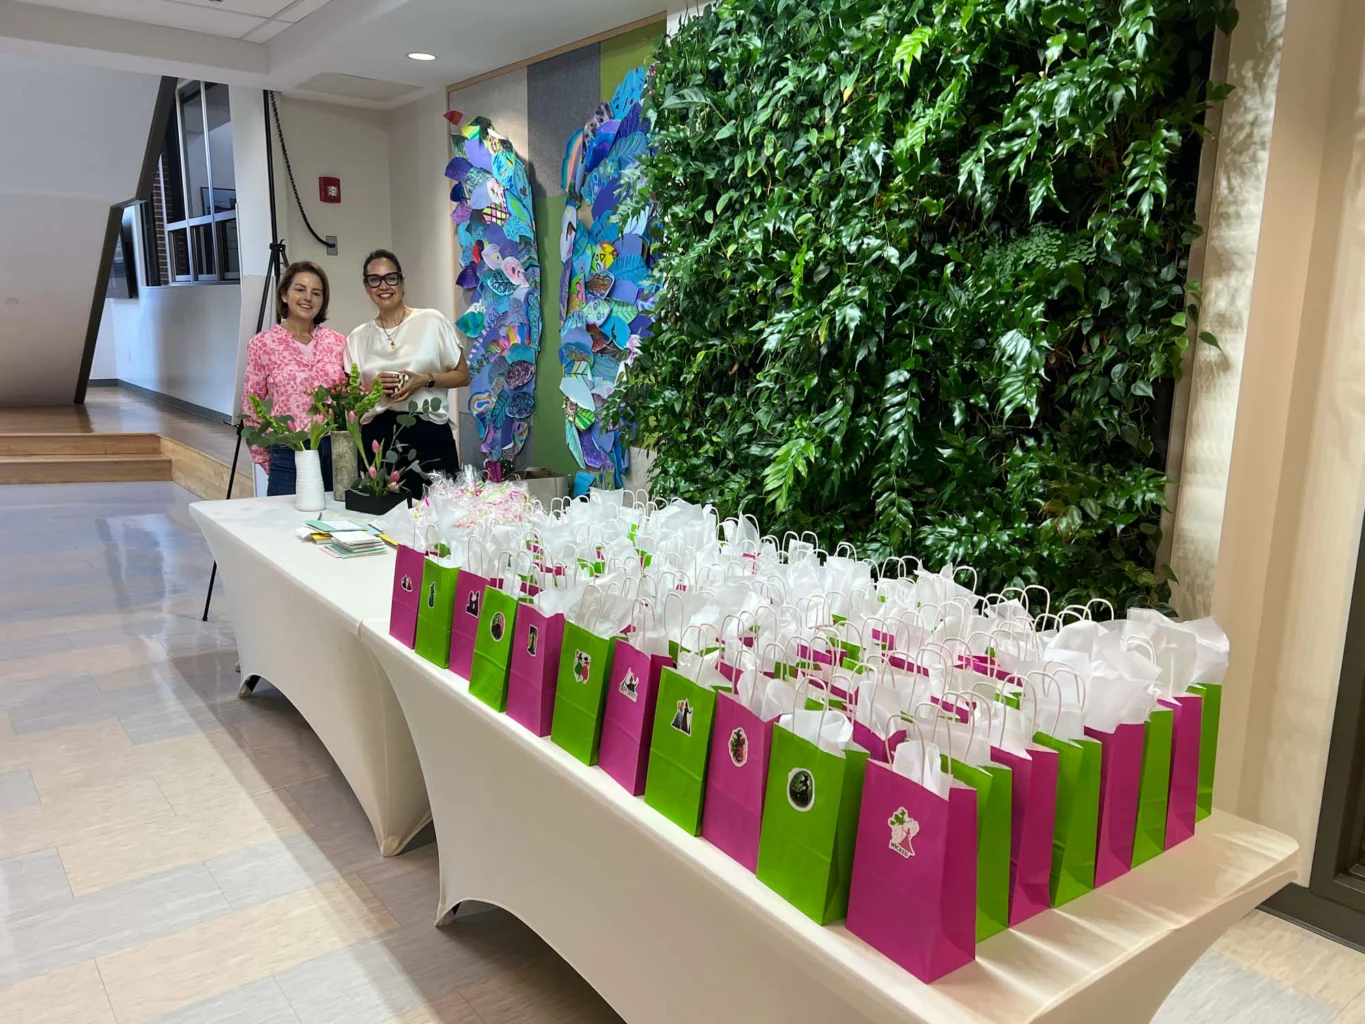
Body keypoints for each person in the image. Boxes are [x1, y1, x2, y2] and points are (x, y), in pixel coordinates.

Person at [346, 249, 470, 486]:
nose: (384, 286)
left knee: (439, 511)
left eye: (390, 278)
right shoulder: (357, 338)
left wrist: (424, 380)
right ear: (366, 287)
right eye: (375, 280)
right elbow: (352, 401)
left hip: (429, 431)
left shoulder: (431, 321)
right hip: (379, 438)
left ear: (402, 281)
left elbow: (463, 376)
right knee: (384, 515)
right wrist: (374, 388)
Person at [241, 261, 347, 496]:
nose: (308, 297)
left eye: (316, 292)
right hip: (287, 452)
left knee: (333, 523)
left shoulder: (338, 342)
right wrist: (266, 458)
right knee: (284, 526)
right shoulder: (262, 344)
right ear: (284, 295)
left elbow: (349, 398)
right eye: (300, 289)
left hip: (331, 451)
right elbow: (252, 405)